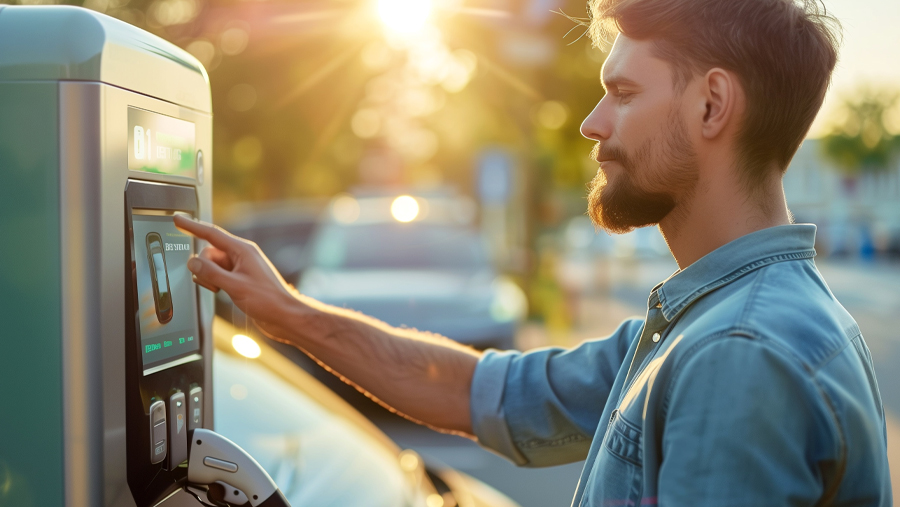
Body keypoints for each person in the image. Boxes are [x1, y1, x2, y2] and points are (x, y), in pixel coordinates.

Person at [174, 0, 893, 504]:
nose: (591, 121)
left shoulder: (738, 350)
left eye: (623, 92)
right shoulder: (707, 322)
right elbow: (475, 390)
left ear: (711, 105)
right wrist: (288, 312)